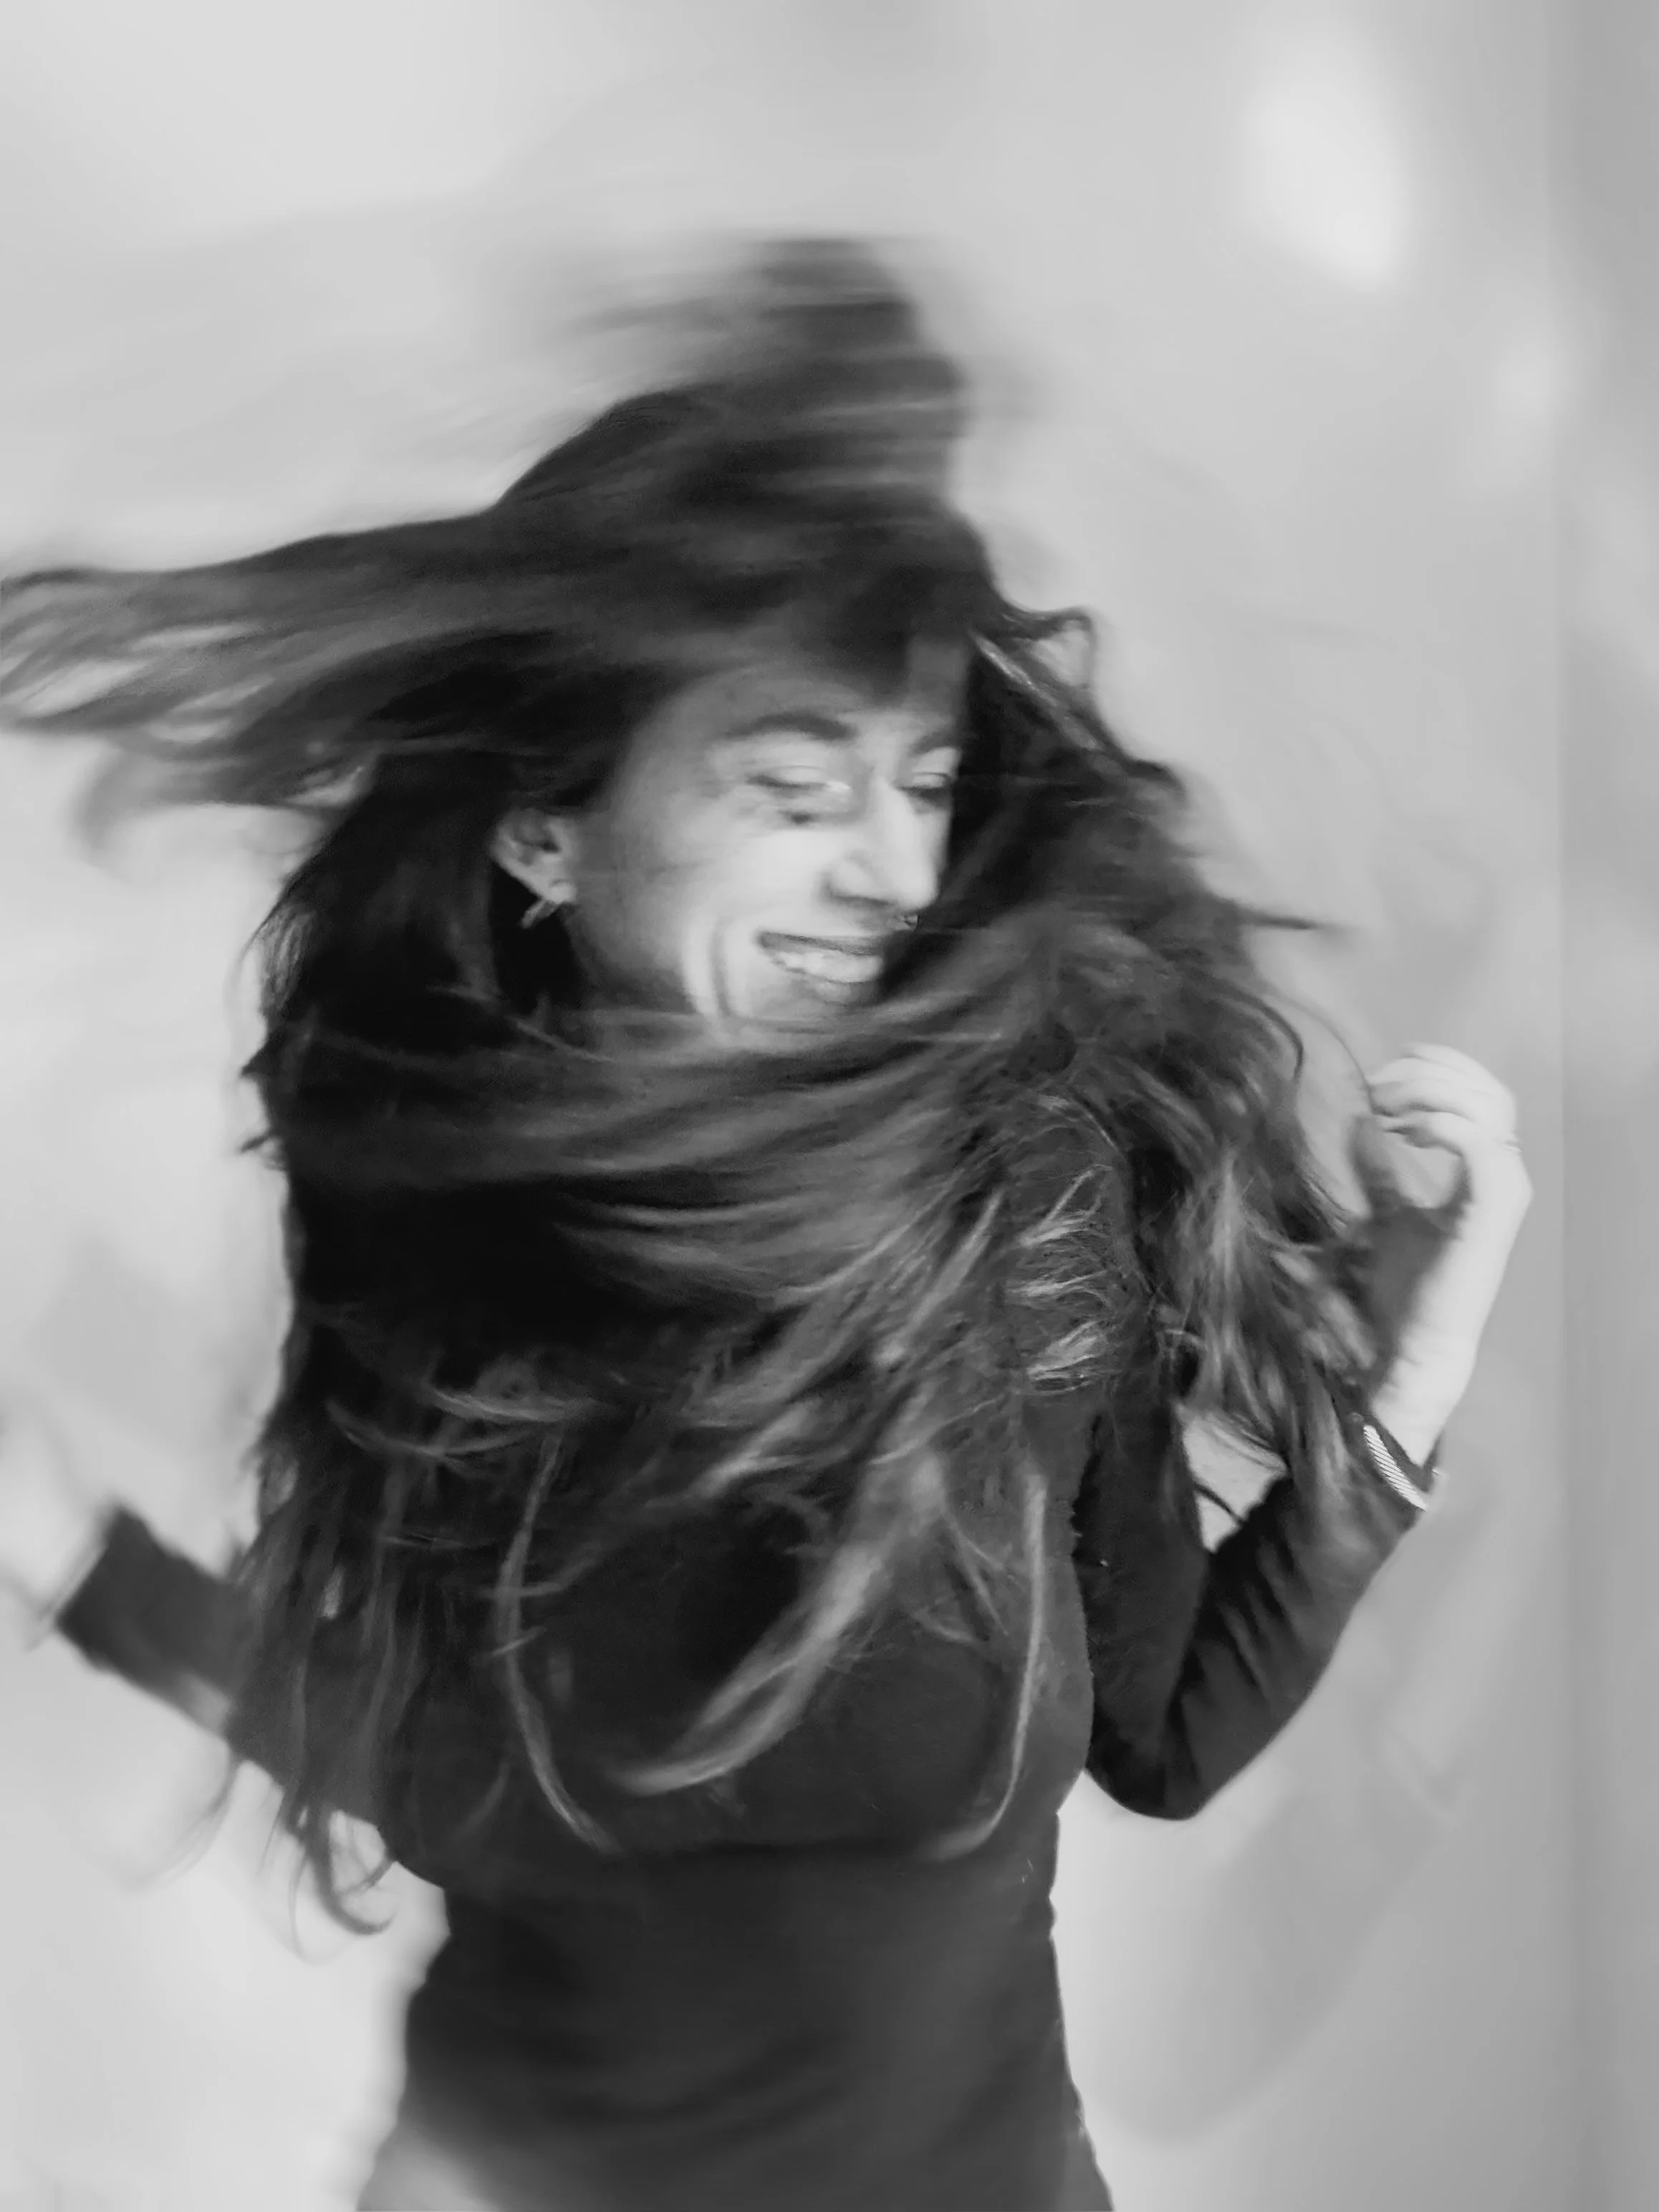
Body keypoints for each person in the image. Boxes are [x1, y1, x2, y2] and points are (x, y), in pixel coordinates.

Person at [0, 241, 1531, 2212]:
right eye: (791, 787)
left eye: (918, 781)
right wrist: (77, 1559)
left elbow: (1156, 1736)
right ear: (541, 828)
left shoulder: (1028, 1197)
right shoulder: (436, 1202)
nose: (890, 867)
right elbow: (424, 1759)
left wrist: (1409, 1362)